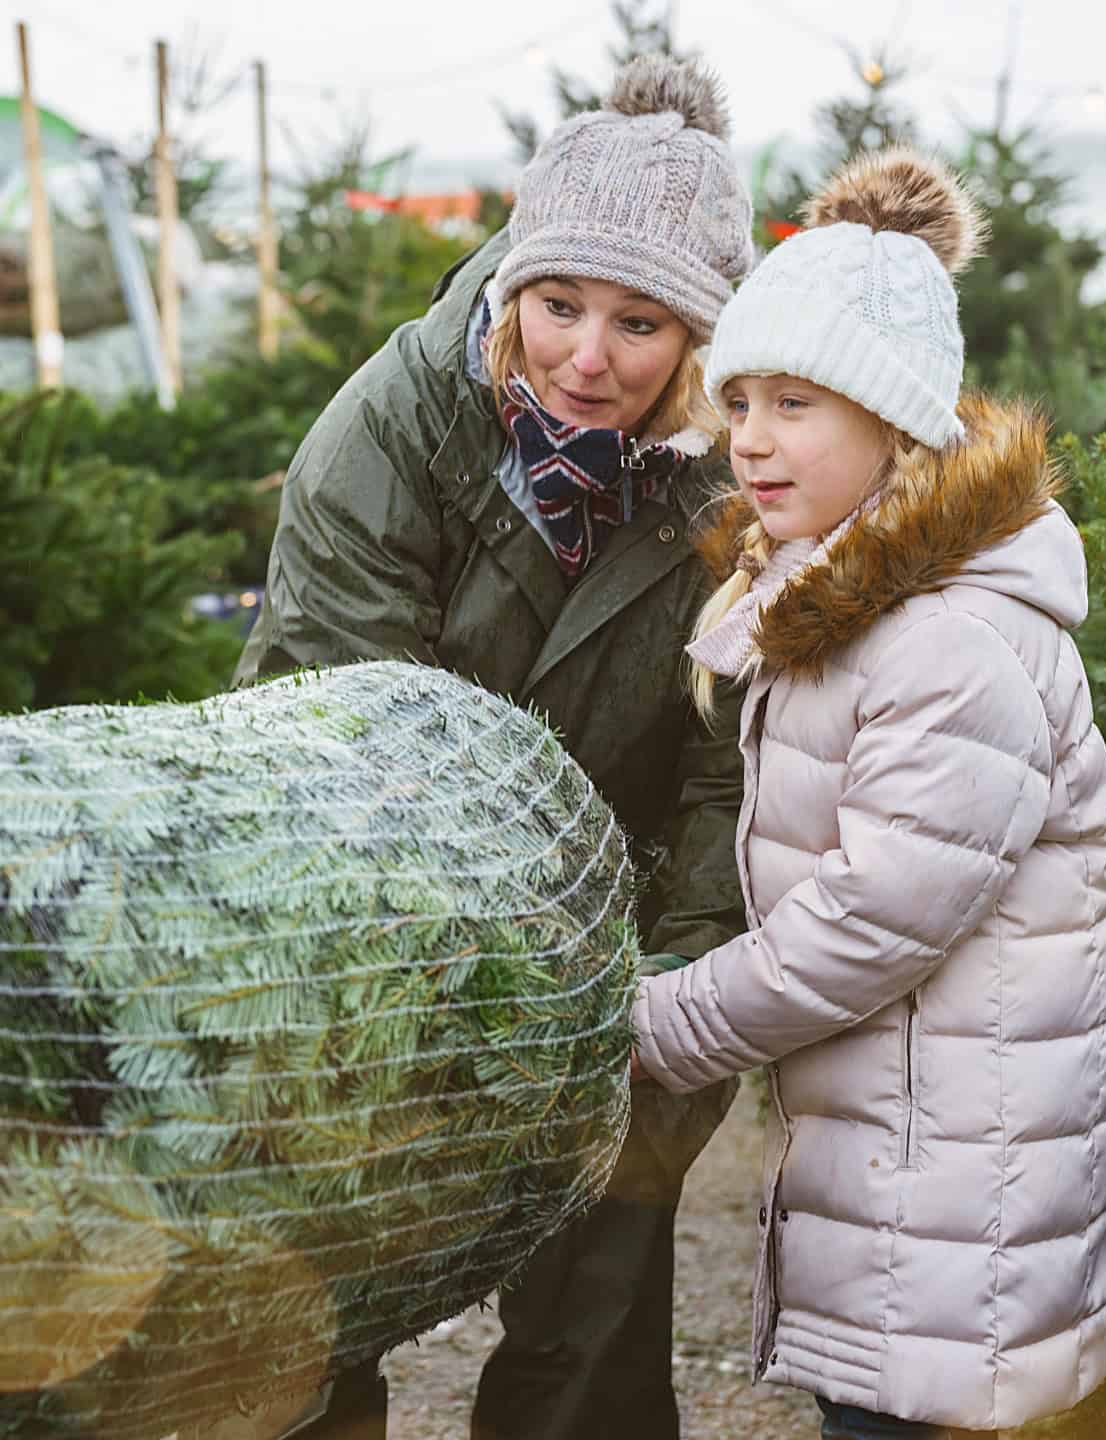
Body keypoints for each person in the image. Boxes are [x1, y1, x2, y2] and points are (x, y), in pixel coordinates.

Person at [233, 51, 757, 1440]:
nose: (586, 356)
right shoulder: (392, 425)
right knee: (315, 1253)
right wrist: (454, 995)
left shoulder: (739, 474)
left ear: (701, 342)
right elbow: (346, 726)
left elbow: (730, 761)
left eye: (640, 324)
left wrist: (679, 998)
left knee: (599, 1276)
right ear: (513, 289)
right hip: (358, 889)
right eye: (559, 305)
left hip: (617, 920)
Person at [629, 146, 1106, 1440]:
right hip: (922, 1172)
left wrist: (663, 1022)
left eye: (795, 402)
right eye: (737, 400)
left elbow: (871, 919)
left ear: (898, 420)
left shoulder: (946, 641)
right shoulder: (838, 600)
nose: (747, 439)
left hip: (964, 1206)